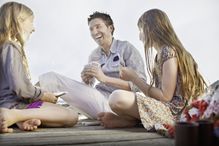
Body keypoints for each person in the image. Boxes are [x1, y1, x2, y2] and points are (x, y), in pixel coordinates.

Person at [97, 9, 207, 129]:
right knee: (116, 99)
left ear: (151, 30)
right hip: (166, 109)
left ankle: (132, 121)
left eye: (141, 30)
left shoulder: (168, 51)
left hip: (174, 114)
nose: (140, 36)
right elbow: (158, 96)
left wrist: (134, 78)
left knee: (116, 98)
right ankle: (132, 121)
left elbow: (165, 97)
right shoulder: (162, 53)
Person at [39, 11, 146, 119]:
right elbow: (88, 89)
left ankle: (29, 98)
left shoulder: (126, 48)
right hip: (98, 101)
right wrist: (86, 80)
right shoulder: (94, 55)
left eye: (98, 27)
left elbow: (140, 86)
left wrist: (104, 79)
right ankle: (29, 105)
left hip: (119, 105)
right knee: (51, 79)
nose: (94, 32)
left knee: (53, 80)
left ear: (110, 28)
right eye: (91, 29)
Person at [0, 2, 78, 133]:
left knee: (52, 119)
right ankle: (15, 115)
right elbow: (20, 87)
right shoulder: (11, 46)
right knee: (71, 116)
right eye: (31, 22)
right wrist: (43, 95)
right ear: (19, 21)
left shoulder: (4, 47)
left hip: (10, 104)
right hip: (16, 105)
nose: (33, 28)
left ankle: (19, 120)